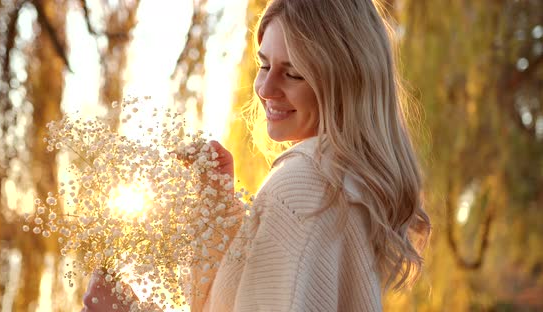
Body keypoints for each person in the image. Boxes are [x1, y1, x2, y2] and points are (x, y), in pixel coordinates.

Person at [82, 0, 431, 311]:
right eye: (264, 66)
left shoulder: (304, 187)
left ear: (346, 80)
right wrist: (217, 207)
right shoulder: (345, 182)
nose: (265, 89)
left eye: (292, 73)